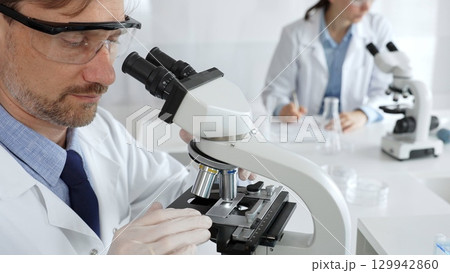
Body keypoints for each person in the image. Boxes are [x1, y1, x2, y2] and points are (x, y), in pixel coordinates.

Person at [0, 0, 257, 255]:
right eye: (74, 40)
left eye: (112, 40)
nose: (106, 76)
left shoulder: (101, 131)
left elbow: (179, 196)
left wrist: (216, 155)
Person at [262, 0, 393, 133]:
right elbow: (275, 91)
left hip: (355, 131)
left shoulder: (378, 28)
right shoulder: (295, 33)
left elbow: (386, 90)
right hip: (308, 130)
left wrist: (363, 114)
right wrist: (283, 109)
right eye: (358, 1)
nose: (366, 8)